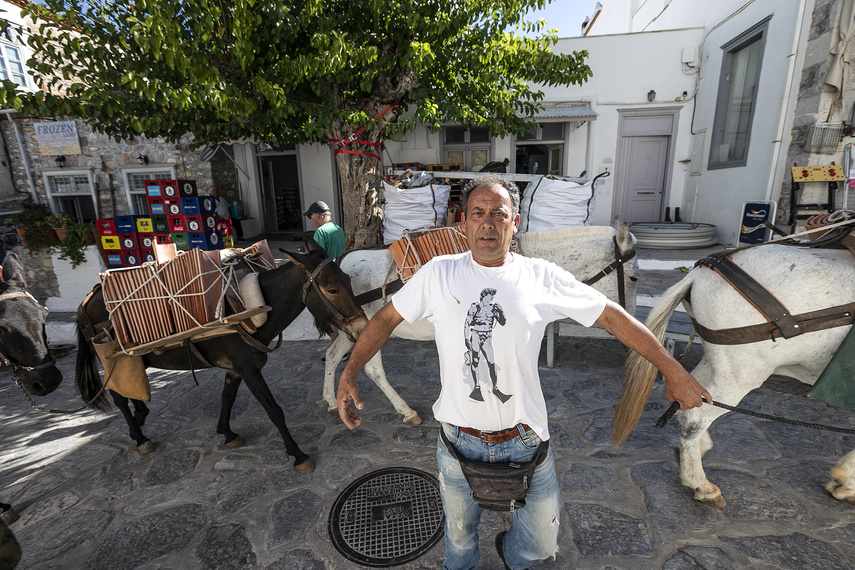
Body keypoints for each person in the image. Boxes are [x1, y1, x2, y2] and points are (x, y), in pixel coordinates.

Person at [335, 174, 711, 570]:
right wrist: (349, 371)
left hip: (525, 441)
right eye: (478, 213)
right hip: (458, 443)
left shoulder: (540, 276)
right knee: (459, 547)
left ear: (514, 224)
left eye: (499, 214)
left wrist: (675, 371)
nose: (487, 223)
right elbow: (386, 318)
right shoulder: (438, 273)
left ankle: (512, 553)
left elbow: (611, 316)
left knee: (537, 548)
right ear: (463, 223)